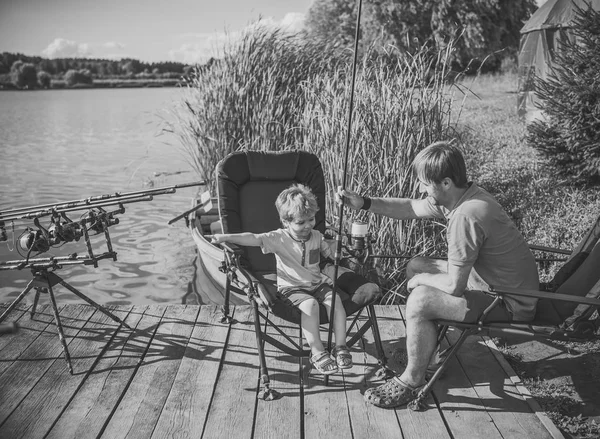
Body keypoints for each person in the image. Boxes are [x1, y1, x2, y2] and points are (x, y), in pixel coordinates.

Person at [337, 140, 539, 408]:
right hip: (492, 285)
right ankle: (432, 357)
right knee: (417, 265)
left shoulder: (466, 216)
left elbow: (455, 286)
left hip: (509, 303)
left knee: (420, 299)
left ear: (445, 182)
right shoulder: (464, 196)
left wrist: (419, 282)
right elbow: (409, 207)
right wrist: (363, 202)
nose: (421, 189)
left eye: (424, 183)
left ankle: (411, 380)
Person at [212, 183, 353, 375]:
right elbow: (253, 238)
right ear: (286, 222)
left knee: (335, 301)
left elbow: (329, 252)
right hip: (293, 288)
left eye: (311, 219)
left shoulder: (317, 236)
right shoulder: (279, 238)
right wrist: (225, 237)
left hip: (317, 283)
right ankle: (318, 351)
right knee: (310, 306)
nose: (308, 225)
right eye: (301, 222)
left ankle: (341, 346)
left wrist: (336, 249)